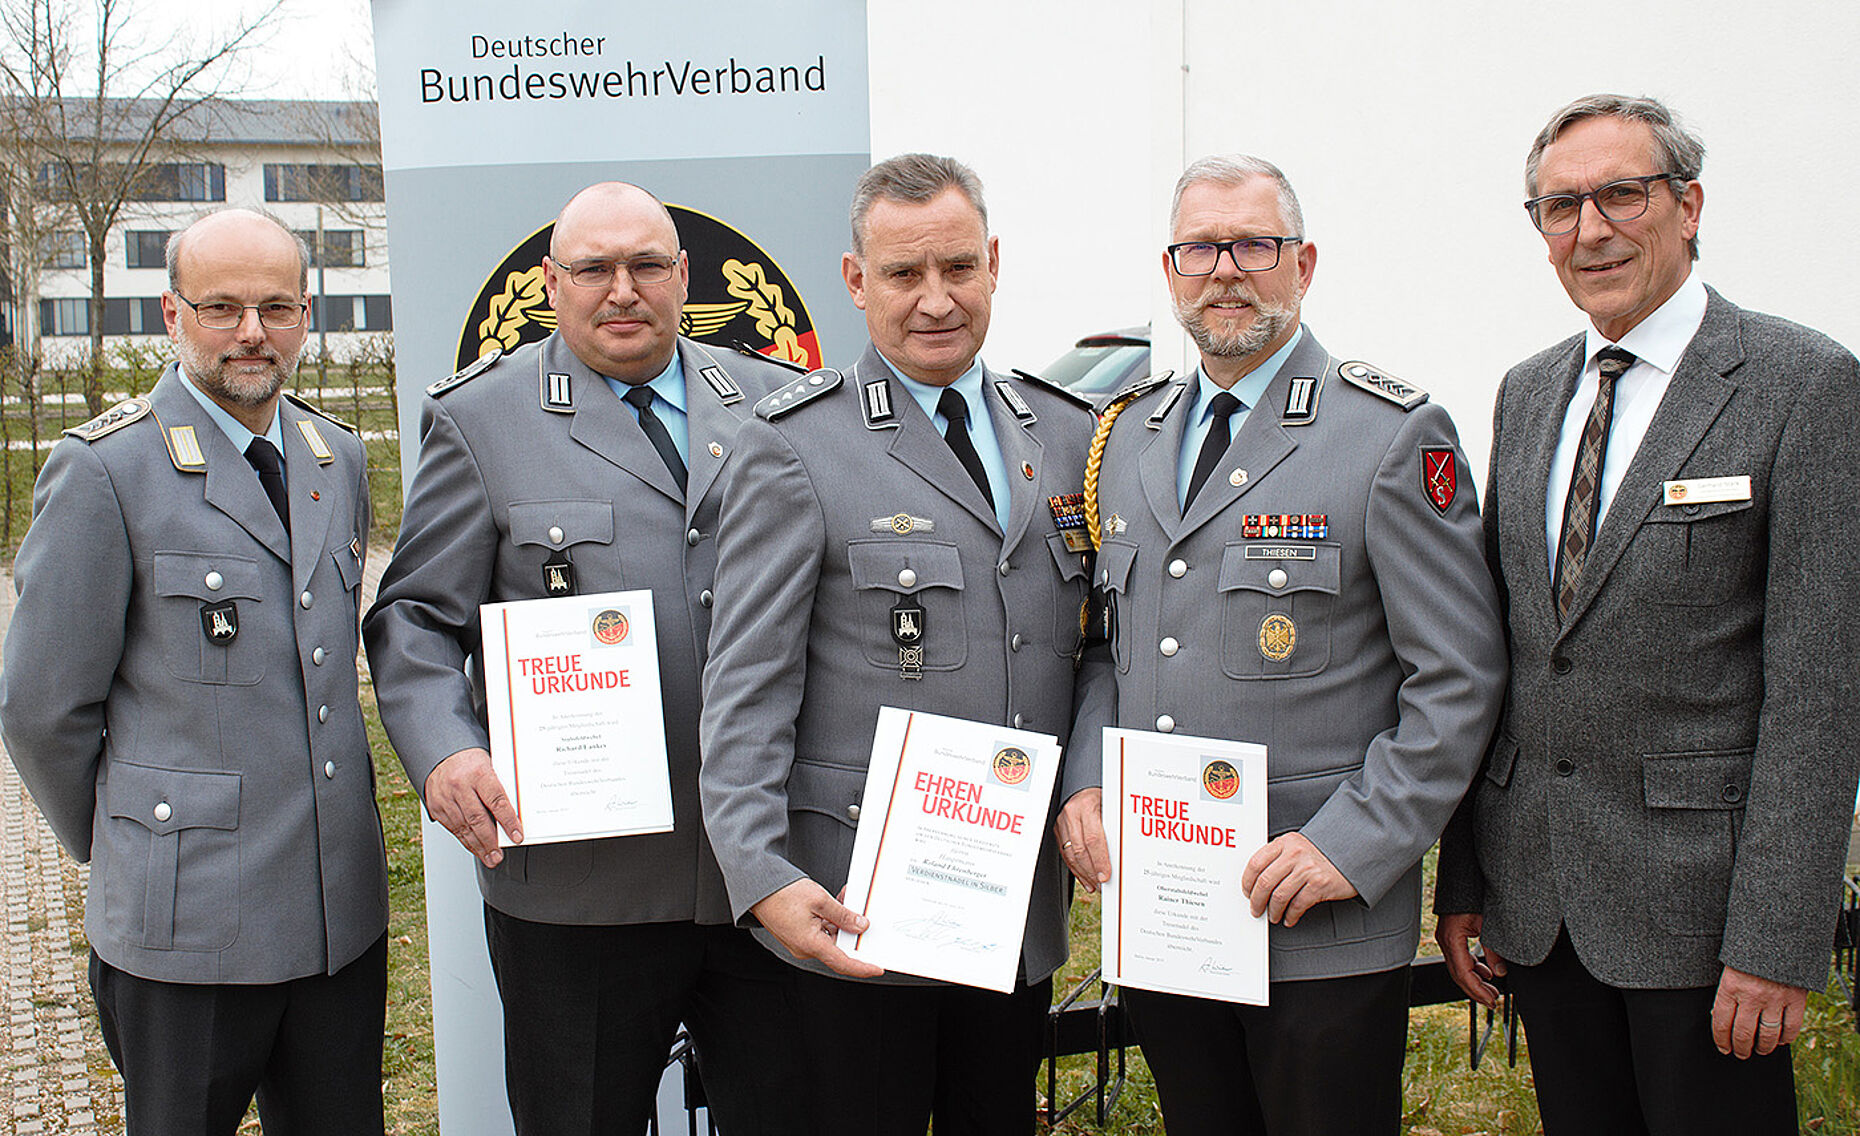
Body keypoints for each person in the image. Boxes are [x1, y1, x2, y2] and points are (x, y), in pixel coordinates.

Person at [1435, 94, 1860, 1135]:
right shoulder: (1529, 393)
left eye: (1622, 193)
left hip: (1706, 922)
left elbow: (1819, 690)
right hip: (1545, 905)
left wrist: (1775, 939)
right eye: (1559, 206)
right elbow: (1508, 657)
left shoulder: (1804, 384)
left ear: (1688, 204)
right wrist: (1469, 875)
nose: (1592, 228)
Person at [1058, 155, 1507, 1135]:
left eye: (1254, 243)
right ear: (1170, 269)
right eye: (1201, 247)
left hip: (1318, 916)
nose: (1226, 268)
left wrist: (1352, 845)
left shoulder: (1387, 433)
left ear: (1303, 264)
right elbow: (1106, 644)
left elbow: (1459, 676)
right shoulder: (1128, 437)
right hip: (1172, 910)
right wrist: (1086, 776)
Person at [363, 181, 802, 1134]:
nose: (622, 291)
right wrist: (444, 749)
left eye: (647, 265)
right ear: (551, 283)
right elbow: (414, 620)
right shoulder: (483, 422)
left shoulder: (778, 405)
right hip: (578, 893)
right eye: (593, 269)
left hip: (762, 872)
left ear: (684, 275)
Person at [697, 152, 1114, 1135]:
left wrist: (1089, 775)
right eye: (902, 274)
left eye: (959, 267)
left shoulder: (1067, 434)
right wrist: (760, 874)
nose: (936, 299)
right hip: (856, 904)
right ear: (855, 281)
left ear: (994, 262)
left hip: (1011, 904)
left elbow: (1098, 646)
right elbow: (745, 686)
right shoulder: (793, 443)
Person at [0, 209, 386, 1134]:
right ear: (172, 315)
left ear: (305, 316)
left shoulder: (339, 457)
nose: (252, 332)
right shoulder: (106, 470)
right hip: (187, 927)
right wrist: (131, 842)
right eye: (221, 307)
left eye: (276, 307)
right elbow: (41, 707)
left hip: (337, 914)